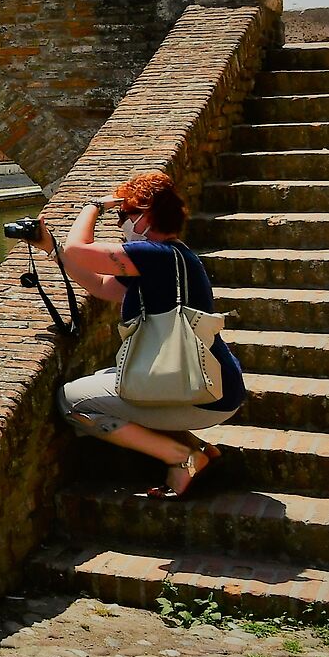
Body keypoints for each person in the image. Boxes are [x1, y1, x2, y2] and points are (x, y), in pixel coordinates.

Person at [54, 169, 246, 499]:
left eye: (124, 214)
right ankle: (197, 448)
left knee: (71, 402)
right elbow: (100, 286)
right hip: (218, 385)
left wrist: (94, 205)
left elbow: (78, 250)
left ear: (147, 216)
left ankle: (183, 458)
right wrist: (51, 248)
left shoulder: (152, 255)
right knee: (111, 377)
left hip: (205, 394)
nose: (119, 223)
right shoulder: (173, 257)